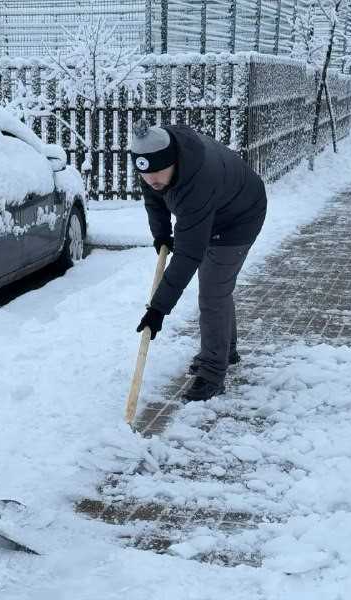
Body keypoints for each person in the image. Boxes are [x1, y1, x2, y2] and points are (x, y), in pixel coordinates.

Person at [131, 119, 267, 401]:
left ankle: (212, 374)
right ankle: (224, 350)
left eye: (158, 172)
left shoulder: (197, 181)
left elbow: (188, 255)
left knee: (213, 292)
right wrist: (162, 234)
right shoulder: (155, 160)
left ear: (174, 162)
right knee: (217, 287)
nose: (152, 179)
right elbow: (154, 196)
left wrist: (157, 309)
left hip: (239, 217)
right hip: (216, 207)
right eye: (146, 174)